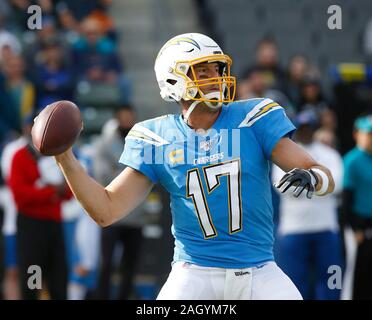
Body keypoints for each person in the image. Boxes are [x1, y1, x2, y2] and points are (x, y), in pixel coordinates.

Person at [54, 33, 335, 300]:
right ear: (173, 79)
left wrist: (314, 178)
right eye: (202, 72)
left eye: (216, 69)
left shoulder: (253, 119)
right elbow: (106, 210)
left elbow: (321, 172)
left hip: (259, 270)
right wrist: (64, 156)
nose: (214, 78)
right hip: (194, 273)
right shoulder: (158, 138)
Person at [272, 110, 343, 300]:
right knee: (294, 284)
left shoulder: (329, 153)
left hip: (325, 227)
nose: (306, 132)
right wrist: (318, 184)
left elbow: (337, 184)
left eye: (309, 127)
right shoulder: (286, 153)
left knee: (331, 279)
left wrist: (306, 183)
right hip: (294, 229)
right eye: (302, 128)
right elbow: (281, 186)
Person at [93, 106, 149, 300]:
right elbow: (102, 175)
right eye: (123, 117)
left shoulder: (142, 142)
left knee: (130, 266)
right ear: (117, 119)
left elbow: (148, 173)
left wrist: (124, 173)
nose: (126, 121)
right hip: (112, 215)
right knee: (106, 263)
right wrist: (133, 174)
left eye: (130, 117)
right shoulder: (105, 144)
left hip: (136, 216)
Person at [342, 114, 372, 300]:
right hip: (359, 225)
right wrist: (354, 228)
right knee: (356, 271)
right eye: (368, 134)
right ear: (357, 134)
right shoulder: (352, 160)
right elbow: (346, 198)